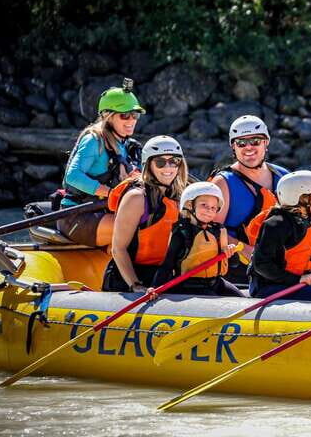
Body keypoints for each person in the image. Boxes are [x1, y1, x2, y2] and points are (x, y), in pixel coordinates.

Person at [57, 78, 143, 247]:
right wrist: (110, 193)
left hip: (103, 213)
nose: (131, 120)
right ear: (107, 116)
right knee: (138, 229)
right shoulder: (93, 140)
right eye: (124, 115)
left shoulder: (127, 145)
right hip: (76, 216)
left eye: (135, 115)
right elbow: (72, 176)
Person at [102, 136, 187, 292]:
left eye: (174, 161)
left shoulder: (178, 195)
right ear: (148, 165)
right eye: (160, 162)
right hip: (130, 279)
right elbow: (118, 249)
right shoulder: (136, 197)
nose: (168, 168)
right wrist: (135, 285)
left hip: (162, 276)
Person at [210, 115, 288, 286]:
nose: (249, 147)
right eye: (241, 143)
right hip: (240, 270)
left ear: (266, 142)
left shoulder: (284, 177)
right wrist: (247, 250)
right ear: (233, 147)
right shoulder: (222, 182)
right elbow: (210, 230)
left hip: (282, 266)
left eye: (255, 141)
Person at [248, 170, 311, 302]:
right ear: (301, 198)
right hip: (269, 286)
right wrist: (297, 279)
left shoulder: (310, 222)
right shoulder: (276, 224)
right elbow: (261, 264)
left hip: (295, 282)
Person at [152, 182, 243, 297]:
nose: (209, 210)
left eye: (214, 207)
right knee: (212, 298)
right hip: (189, 284)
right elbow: (167, 264)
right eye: (204, 205)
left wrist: (231, 253)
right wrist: (155, 287)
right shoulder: (182, 232)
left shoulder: (218, 231)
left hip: (216, 281)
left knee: (241, 299)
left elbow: (234, 264)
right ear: (190, 205)